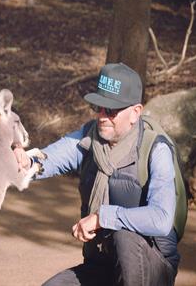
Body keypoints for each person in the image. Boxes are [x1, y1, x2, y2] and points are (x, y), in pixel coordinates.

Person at [14, 63, 181, 286]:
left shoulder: (156, 149)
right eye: (98, 106)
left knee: (125, 237)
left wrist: (103, 218)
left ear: (135, 112)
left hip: (151, 269)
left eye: (111, 110)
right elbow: (45, 160)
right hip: (103, 265)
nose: (102, 116)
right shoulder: (88, 138)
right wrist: (21, 160)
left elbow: (161, 218)